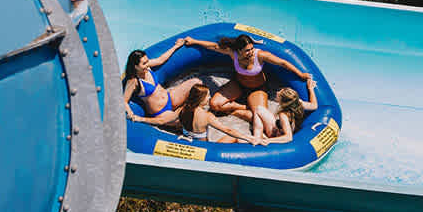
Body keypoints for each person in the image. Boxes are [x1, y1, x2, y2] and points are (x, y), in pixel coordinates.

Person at [181, 34, 311, 120]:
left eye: (252, 48)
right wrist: (194, 41)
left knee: (259, 117)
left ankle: (237, 110)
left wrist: (300, 74)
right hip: (238, 84)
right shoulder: (233, 53)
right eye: (247, 50)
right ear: (239, 50)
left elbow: (283, 62)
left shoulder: (260, 55)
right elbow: (214, 46)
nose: (251, 52)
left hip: (257, 89)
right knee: (214, 104)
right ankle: (243, 108)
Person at [129, 85, 265, 145]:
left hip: (189, 143)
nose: (209, 98)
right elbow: (228, 130)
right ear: (201, 99)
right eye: (208, 96)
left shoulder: (182, 110)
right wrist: (249, 138)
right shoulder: (207, 117)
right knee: (233, 139)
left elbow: (161, 121)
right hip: (205, 148)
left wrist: (139, 118)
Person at [122, 41, 202, 119]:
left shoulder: (147, 67)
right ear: (136, 66)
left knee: (197, 82)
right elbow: (124, 100)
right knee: (183, 120)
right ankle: (179, 112)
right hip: (160, 112)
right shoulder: (133, 81)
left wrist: (176, 46)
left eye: (147, 61)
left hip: (170, 98)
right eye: (144, 63)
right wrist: (130, 113)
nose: (147, 64)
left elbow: (161, 60)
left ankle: (181, 109)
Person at [254, 79, 319, 144]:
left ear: (283, 102)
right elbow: (314, 105)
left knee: (258, 109)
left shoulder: (283, 115)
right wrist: (310, 88)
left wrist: (267, 141)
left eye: (279, 94)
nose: (277, 92)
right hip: (290, 129)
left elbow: (288, 137)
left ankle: (258, 136)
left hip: (276, 135)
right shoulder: (297, 103)